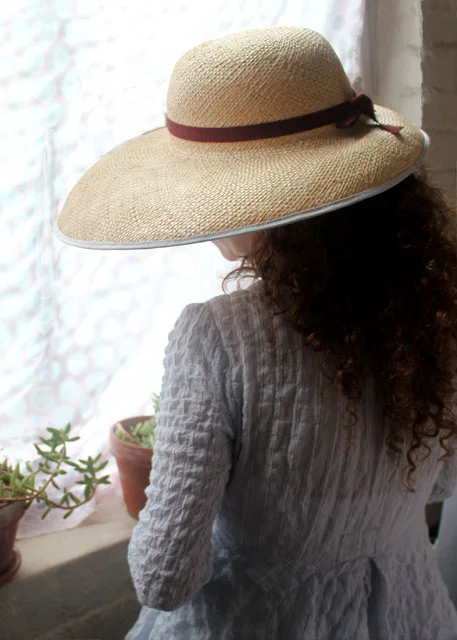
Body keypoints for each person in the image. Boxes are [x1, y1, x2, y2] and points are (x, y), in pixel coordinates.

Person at [56, 26, 457, 640]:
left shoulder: (220, 339)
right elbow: (442, 481)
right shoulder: (434, 308)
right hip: (407, 614)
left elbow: (165, 577)